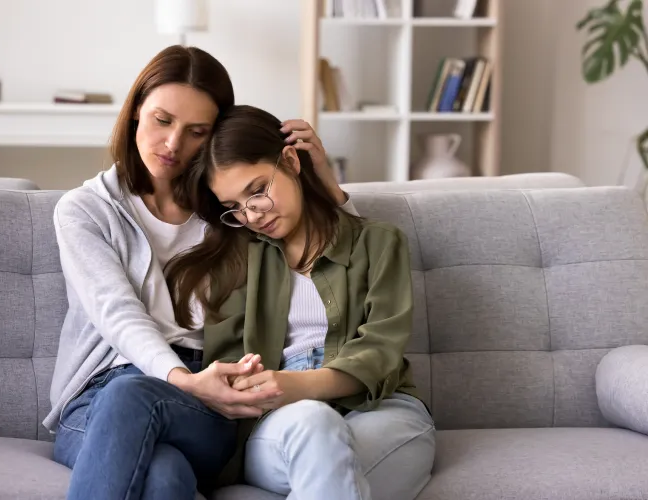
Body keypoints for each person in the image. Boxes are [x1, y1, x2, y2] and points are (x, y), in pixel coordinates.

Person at [44, 46, 356, 500]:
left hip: (206, 393)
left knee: (136, 402)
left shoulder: (234, 212)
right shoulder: (85, 210)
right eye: (162, 120)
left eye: (196, 132)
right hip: (98, 397)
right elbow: (116, 312)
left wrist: (325, 179)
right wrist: (181, 380)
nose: (173, 145)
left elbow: (338, 264)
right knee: (163, 471)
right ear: (135, 114)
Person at [166, 105, 436, 500]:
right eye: (234, 208)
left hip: (381, 409)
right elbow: (224, 362)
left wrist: (300, 384)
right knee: (314, 423)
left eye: (257, 191)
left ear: (290, 160)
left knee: (329, 463)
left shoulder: (378, 242)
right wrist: (257, 385)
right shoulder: (234, 261)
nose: (252, 214)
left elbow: (381, 348)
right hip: (281, 420)